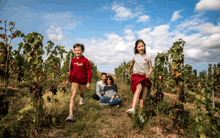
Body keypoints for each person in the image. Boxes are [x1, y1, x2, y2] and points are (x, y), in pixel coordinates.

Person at [126, 39, 153, 122]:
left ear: (144, 46)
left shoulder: (148, 57)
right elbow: (132, 64)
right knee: (139, 87)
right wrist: (129, 69)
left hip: (145, 77)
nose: (141, 48)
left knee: (143, 97)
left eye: (142, 46)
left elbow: (151, 68)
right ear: (136, 48)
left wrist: (149, 73)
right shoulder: (135, 56)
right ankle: (133, 109)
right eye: (139, 47)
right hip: (136, 75)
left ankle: (140, 115)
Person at [65, 43, 92, 121]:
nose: (77, 51)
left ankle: (82, 98)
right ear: (74, 51)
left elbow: (89, 71)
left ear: (82, 51)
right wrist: (68, 80)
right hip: (75, 81)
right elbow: (71, 71)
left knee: (82, 93)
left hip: (83, 82)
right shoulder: (73, 61)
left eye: (79, 50)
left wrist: (88, 82)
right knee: (73, 96)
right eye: (75, 50)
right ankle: (70, 115)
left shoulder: (85, 61)